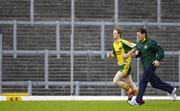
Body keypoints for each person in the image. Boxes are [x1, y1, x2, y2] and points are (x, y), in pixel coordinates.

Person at [128, 28, 177, 106]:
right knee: (155, 84)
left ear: (144, 34)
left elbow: (160, 50)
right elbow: (138, 53)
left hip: (151, 65)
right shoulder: (139, 43)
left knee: (142, 81)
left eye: (139, 35)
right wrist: (137, 54)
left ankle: (138, 101)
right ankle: (171, 89)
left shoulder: (150, 42)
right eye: (137, 35)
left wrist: (158, 60)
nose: (137, 36)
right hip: (145, 66)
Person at [107, 26, 138, 100]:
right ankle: (140, 99)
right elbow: (115, 54)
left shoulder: (123, 42)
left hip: (126, 65)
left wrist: (128, 54)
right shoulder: (114, 44)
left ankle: (129, 91)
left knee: (115, 81)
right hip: (121, 65)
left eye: (115, 33)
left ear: (119, 34)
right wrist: (110, 55)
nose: (113, 35)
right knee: (131, 84)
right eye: (113, 33)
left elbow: (136, 46)